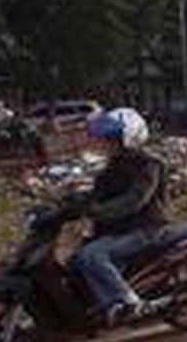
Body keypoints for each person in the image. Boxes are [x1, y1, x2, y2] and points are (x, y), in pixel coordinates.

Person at [70, 108, 169, 325]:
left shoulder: (149, 164)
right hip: (117, 229)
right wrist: (69, 202)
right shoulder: (113, 165)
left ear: (128, 138)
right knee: (74, 261)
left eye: (111, 139)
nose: (105, 144)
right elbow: (97, 194)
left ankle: (128, 302)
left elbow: (135, 199)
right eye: (105, 139)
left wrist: (97, 210)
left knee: (92, 255)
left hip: (145, 228)